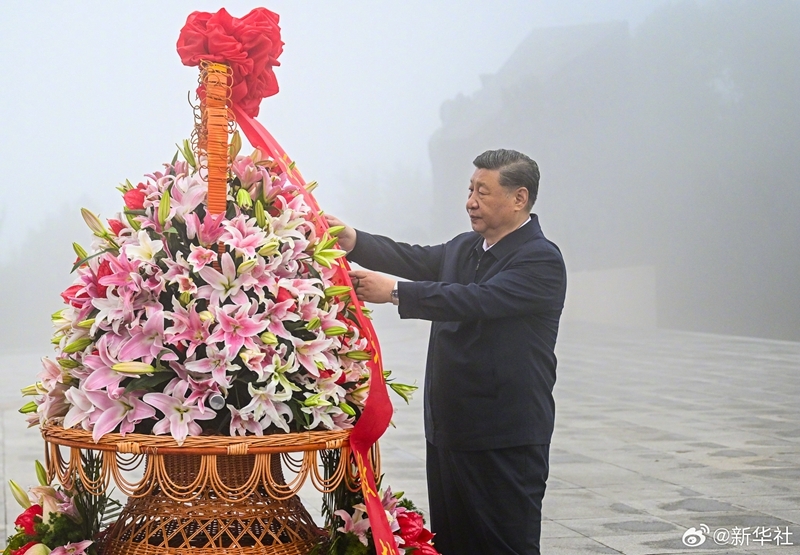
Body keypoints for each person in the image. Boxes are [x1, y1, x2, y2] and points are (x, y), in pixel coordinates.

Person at [326, 149, 566, 555]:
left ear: (519, 198)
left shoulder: (540, 259)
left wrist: (396, 292)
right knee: (453, 544)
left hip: (503, 437)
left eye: (483, 192)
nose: (470, 202)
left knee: (504, 546)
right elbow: (413, 257)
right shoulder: (465, 247)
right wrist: (355, 240)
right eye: (470, 190)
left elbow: (475, 300)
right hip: (449, 431)